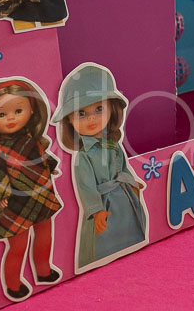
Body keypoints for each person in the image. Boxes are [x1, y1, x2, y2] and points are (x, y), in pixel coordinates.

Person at [0, 78, 63, 302]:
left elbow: (42, 159)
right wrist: (1, 194)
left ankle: (43, 270)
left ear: (31, 110)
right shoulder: (0, 151)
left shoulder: (33, 140)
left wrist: (50, 167)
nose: (11, 118)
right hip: (16, 200)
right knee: (17, 245)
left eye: (18, 111)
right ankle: (12, 284)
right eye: (1, 114)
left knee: (45, 235)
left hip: (42, 194)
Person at [54, 63, 148, 271]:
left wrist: (132, 183)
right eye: (81, 113)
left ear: (111, 109)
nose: (92, 119)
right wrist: (96, 210)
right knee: (102, 242)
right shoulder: (84, 156)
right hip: (104, 206)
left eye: (99, 109)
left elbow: (123, 167)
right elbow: (86, 187)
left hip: (124, 199)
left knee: (131, 231)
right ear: (69, 120)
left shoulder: (113, 144)